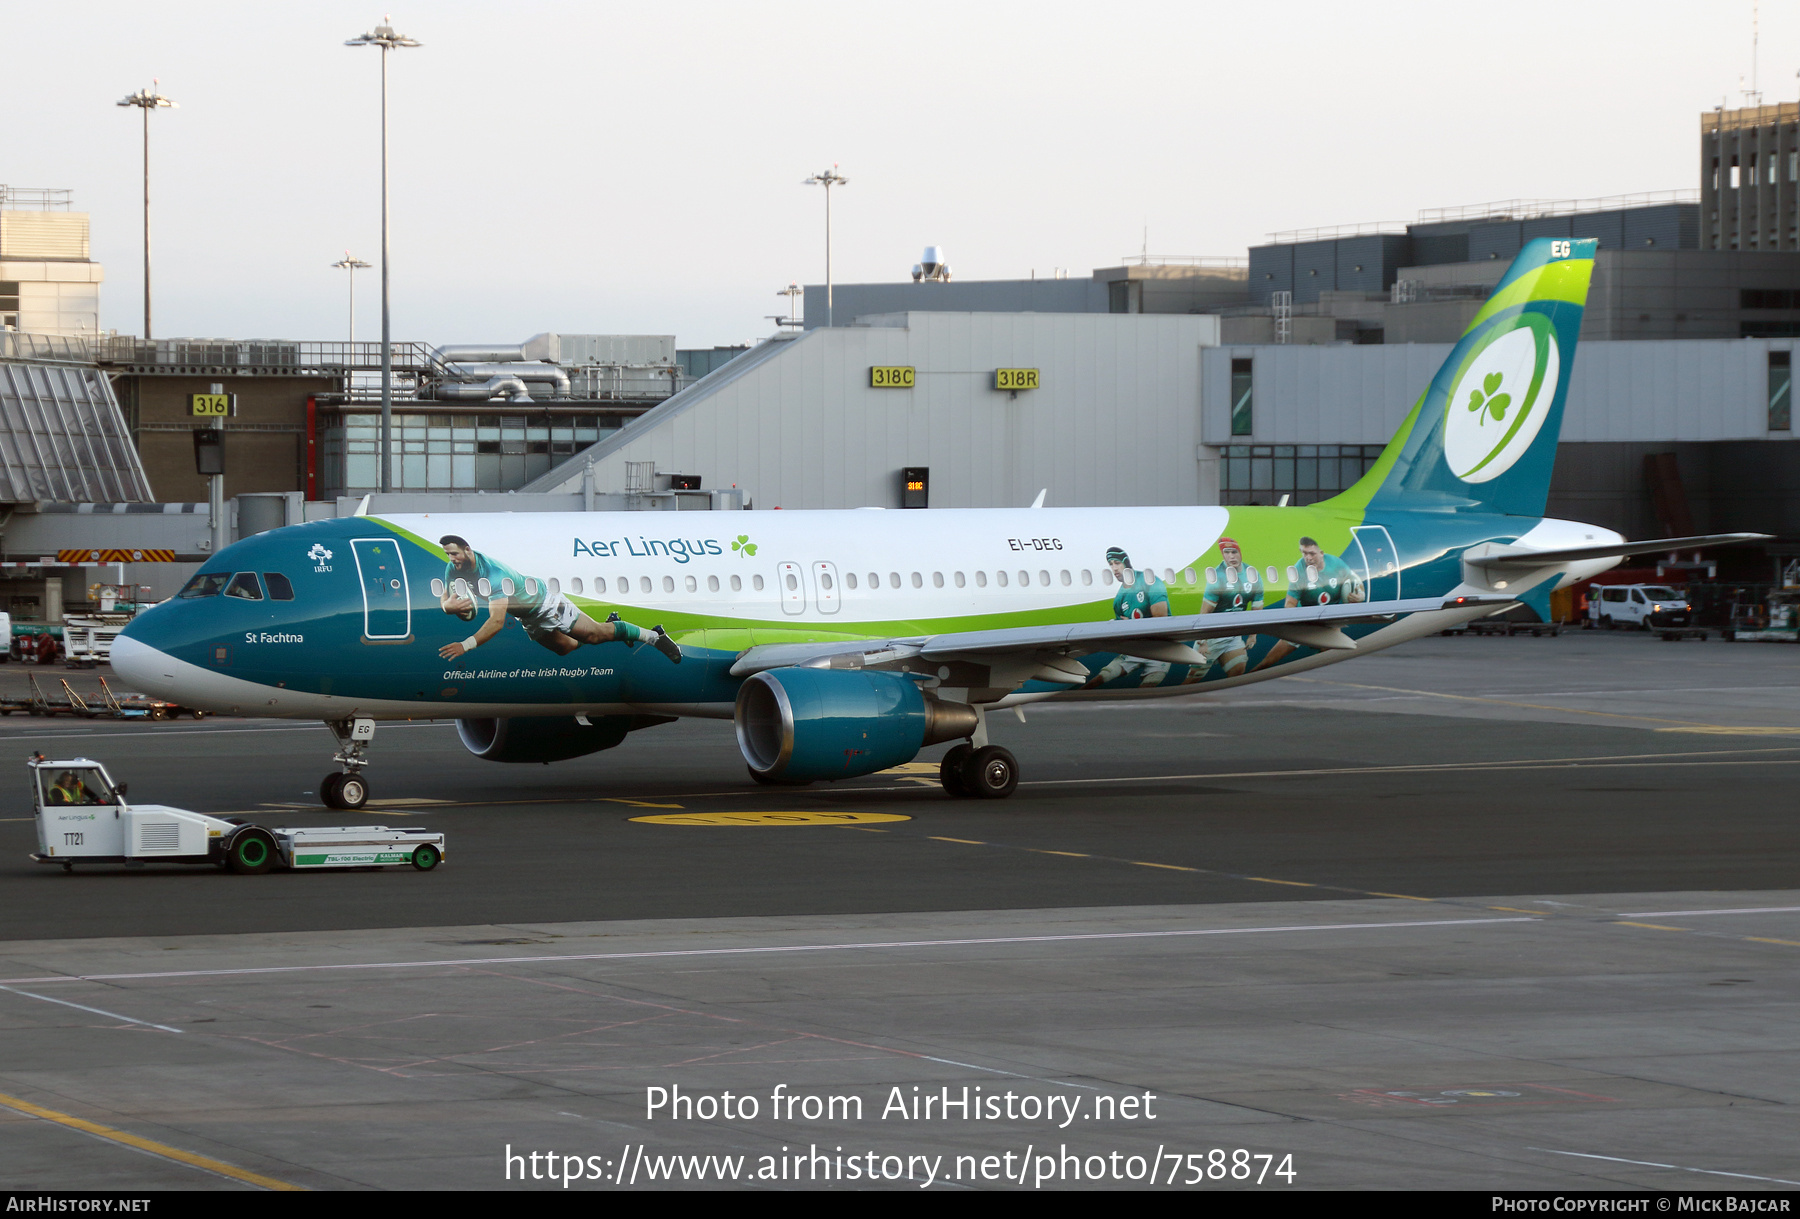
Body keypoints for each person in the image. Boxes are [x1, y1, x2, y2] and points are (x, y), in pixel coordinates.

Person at [436, 535, 681, 664]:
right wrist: (448, 606)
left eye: (455, 553)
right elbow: (446, 597)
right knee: (565, 648)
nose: (452, 559)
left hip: (545, 603)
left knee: (594, 636)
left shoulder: (494, 574)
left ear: (468, 550)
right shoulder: (453, 567)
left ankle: (653, 636)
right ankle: (612, 626)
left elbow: (496, 622)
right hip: (527, 616)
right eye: (448, 554)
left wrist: (465, 645)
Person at [1252, 536, 1366, 671]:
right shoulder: (1299, 569)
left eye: (1312, 553)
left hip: (1328, 619)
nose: (1308, 558)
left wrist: (1360, 596)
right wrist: (1292, 625)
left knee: (1329, 653)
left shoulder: (1335, 563)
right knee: (1269, 661)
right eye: (1304, 553)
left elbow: (1355, 580)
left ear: (1321, 553)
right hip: (1303, 620)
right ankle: (1250, 675)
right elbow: (1290, 602)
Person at [1086, 547, 1173, 688]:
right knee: (1097, 681)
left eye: (1117, 563)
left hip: (1161, 647)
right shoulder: (1119, 600)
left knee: (1146, 690)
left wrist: (1131, 624)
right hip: (1135, 648)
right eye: (1111, 564)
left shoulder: (1148, 581)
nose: (1114, 568)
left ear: (1126, 563)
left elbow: (1160, 617)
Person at [1186, 536, 1258, 682]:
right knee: (1193, 679)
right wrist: (1202, 641)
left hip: (1232, 634)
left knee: (1238, 669)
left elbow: (1257, 609)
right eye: (1227, 553)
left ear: (1240, 552)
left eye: (1234, 552)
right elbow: (1205, 613)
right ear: (1223, 555)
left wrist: (1252, 635)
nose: (1232, 556)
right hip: (1212, 635)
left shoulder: (1252, 574)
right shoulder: (1218, 578)